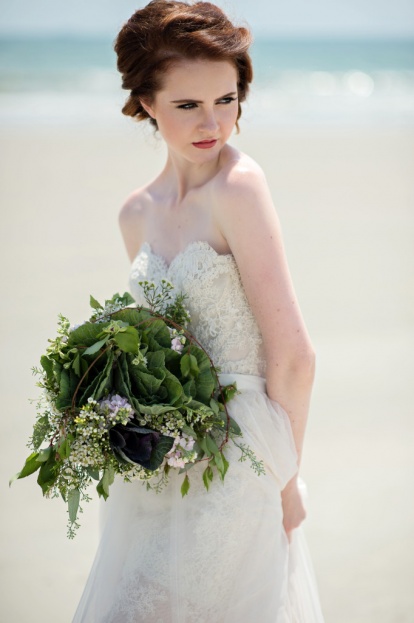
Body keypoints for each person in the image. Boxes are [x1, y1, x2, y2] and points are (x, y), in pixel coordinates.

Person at [73, 1, 325, 621]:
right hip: (165, 461)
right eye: (188, 104)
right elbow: (164, 345)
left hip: (243, 460)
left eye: (228, 99)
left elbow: (294, 355)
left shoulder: (238, 186)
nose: (213, 122)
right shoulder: (134, 214)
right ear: (147, 103)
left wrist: (285, 480)